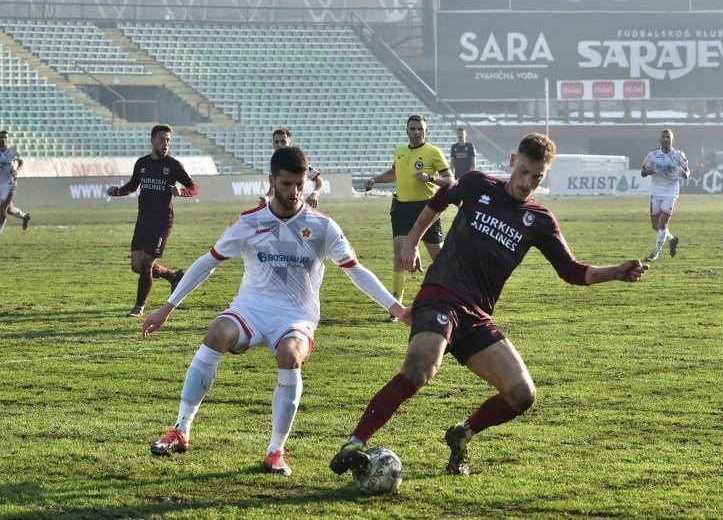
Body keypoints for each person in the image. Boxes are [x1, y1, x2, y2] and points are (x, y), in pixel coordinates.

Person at [329, 133, 649, 478]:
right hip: (441, 294)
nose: (527, 183)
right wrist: (411, 242)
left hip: (476, 316)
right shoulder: (476, 183)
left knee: (522, 394)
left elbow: (571, 271)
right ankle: (354, 443)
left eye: (537, 177)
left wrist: (614, 272)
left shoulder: (540, 220)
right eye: (524, 171)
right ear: (512, 161)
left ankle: (462, 434)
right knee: (421, 369)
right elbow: (438, 201)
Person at [143, 146, 411, 476]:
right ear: (272, 181)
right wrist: (168, 307)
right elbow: (207, 263)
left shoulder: (323, 226)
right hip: (251, 308)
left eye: (300, 184)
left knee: (290, 354)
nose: (294, 191)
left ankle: (275, 450)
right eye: (286, 184)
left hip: (295, 315)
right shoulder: (249, 221)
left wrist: (397, 309)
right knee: (216, 333)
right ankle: (181, 429)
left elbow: (356, 270)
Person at [364, 114, 453, 321]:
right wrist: (375, 179)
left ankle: (451, 299)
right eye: (412, 129)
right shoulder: (400, 151)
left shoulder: (433, 152)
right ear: (406, 131)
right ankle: (397, 309)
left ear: (426, 131)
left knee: (439, 260)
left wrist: (430, 177)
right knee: (399, 255)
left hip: (427, 209)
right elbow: (394, 174)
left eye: (420, 129)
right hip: (402, 208)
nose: (416, 132)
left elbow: (450, 181)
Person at [106, 124, 199, 317]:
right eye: (162, 140)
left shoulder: (173, 165)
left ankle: (139, 307)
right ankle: (173, 276)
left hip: (162, 221)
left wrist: (181, 192)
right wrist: (118, 192)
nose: (165, 144)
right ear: (152, 141)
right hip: (143, 219)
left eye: (168, 140)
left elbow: (193, 186)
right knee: (137, 266)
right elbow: (133, 185)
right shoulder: (141, 163)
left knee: (147, 263)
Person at [640, 128, 690, 262]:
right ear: (660, 139)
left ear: (672, 140)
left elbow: (687, 170)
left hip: (671, 192)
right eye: (664, 137)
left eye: (668, 137)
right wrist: (647, 171)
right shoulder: (652, 155)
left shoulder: (679, 155)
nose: (666, 139)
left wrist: (686, 174)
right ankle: (672, 240)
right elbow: (643, 172)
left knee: (663, 223)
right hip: (656, 192)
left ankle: (654, 254)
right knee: (655, 226)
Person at [258, 127, 323, 208]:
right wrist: (266, 198)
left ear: (290, 143)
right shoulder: (274, 164)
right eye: (276, 142)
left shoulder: (299, 161)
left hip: (296, 209)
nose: (279, 145)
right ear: (273, 145)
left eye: (283, 141)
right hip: (279, 211)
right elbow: (272, 189)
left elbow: (319, 180)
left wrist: (315, 194)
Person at [0, 130, 30, 242]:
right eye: (1, 137)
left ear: (8, 139)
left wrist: (17, 170)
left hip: (11, 183)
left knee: (3, 208)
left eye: (5, 137)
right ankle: (25, 217)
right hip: (0, 184)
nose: (3, 139)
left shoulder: (13, 152)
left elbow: (21, 162)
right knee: (9, 210)